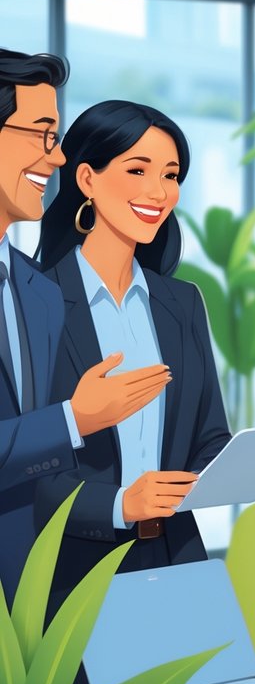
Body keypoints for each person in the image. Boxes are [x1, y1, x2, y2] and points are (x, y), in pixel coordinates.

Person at [34, 100, 255, 613]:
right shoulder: (35, 303)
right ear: (86, 178)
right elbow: (21, 466)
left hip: (177, 560)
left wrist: (243, 474)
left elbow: (207, 438)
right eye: (138, 170)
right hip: (76, 575)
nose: (159, 193)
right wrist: (118, 503)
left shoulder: (181, 303)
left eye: (171, 175)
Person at [0, 50, 170, 605]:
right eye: (42, 134)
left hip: (36, 600)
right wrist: (75, 419)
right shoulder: (59, 290)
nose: (56, 156)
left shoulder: (35, 292)